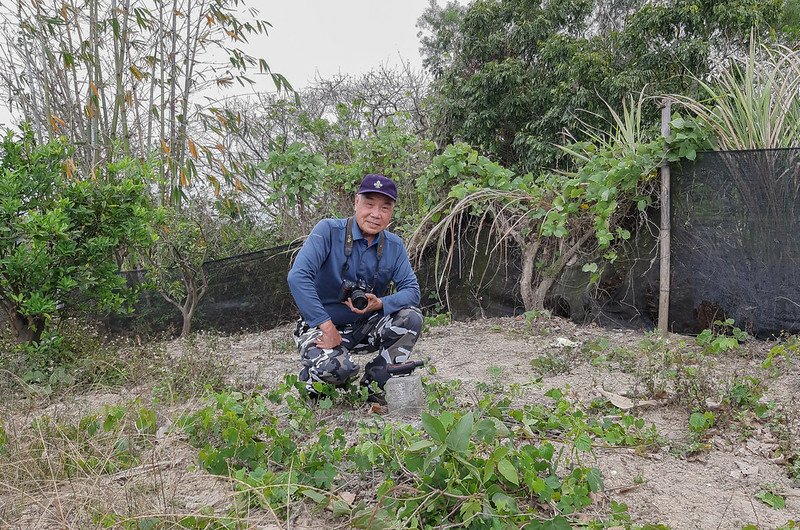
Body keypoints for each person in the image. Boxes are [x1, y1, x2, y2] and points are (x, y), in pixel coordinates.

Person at [287, 174, 423, 401]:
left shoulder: (394, 245)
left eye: (384, 208)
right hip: (322, 326)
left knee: (411, 317)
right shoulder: (328, 230)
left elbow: (412, 291)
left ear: (391, 213)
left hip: (364, 325)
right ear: (356, 202)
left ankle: (376, 382)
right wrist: (326, 325)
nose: (376, 214)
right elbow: (298, 276)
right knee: (338, 370)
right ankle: (314, 381)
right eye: (369, 204)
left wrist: (380, 303)